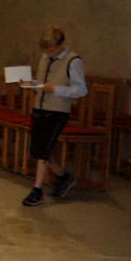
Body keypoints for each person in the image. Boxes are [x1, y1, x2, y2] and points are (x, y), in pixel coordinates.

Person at [21, 26, 88, 207]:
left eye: (52, 50)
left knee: (43, 150)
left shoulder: (73, 61)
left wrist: (56, 89)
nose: (48, 54)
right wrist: (31, 84)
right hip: (39, 107)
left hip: (57, 111)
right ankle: (63, 177)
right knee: (37, 150)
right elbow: (43, 83)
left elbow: (81, 90)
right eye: (45, 51)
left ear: (61, 44)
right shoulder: (45, 57)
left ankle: (37, 191)